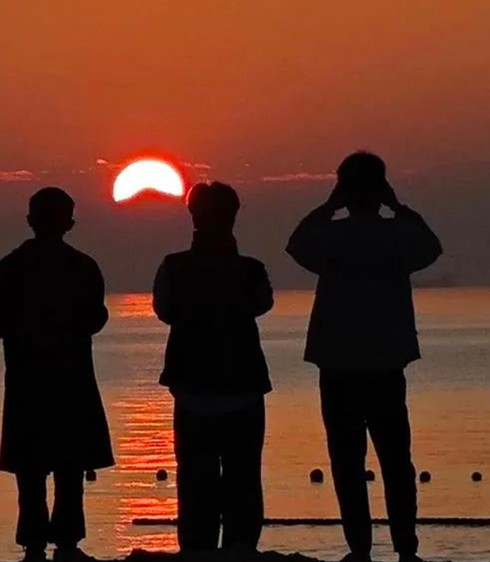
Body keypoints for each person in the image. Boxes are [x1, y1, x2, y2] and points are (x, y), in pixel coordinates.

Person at [287, 152, 442, 562]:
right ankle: (405, 550)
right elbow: (431, 247)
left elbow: (296, 244)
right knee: (396, 461)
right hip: (383, 364)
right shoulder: (395, 236)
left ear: (343, 190)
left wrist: (328, 206)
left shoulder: (332, 236)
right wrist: (398, 206)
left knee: (347, 463)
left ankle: (360, 549)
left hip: (340, 365)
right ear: (381, 189)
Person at [0, 187, 114, 562]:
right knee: (69, 469)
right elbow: (96, 318)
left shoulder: (9, 267)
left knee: (31, 472)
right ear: (69, 223)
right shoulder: (83, 267)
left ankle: (34, 546)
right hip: (71, 380)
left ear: (31, 220)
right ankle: (67, 545)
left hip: (27, 382)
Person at [153, 181, 274, 554]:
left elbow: (165, 311)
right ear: (233, 217)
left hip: (193, 388)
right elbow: (262, 304)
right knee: (243, 476)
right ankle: (240, 546)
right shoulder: (251, 270)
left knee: (195, 478)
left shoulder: (174, 267)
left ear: (193, 216)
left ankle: (198, 548)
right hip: (242, 386)